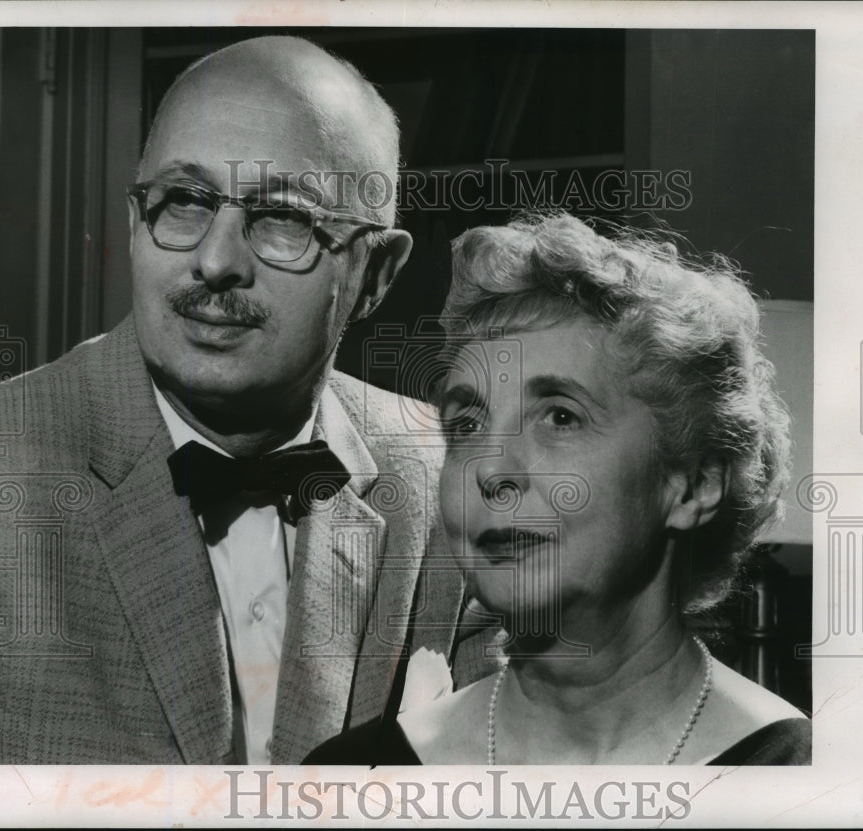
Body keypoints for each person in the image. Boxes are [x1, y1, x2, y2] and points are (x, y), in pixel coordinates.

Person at [0, 36, 489, 765]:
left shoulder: (452, 476)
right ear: (131, 219)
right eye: (183, 201)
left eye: (283, 219)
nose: (215, 262)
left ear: (376, 273)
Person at [304, 212, 811, 765]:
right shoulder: (354, 777)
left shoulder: (808, 781)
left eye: (560, 418)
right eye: (467, 425)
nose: (490, 471)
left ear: (694, 485)